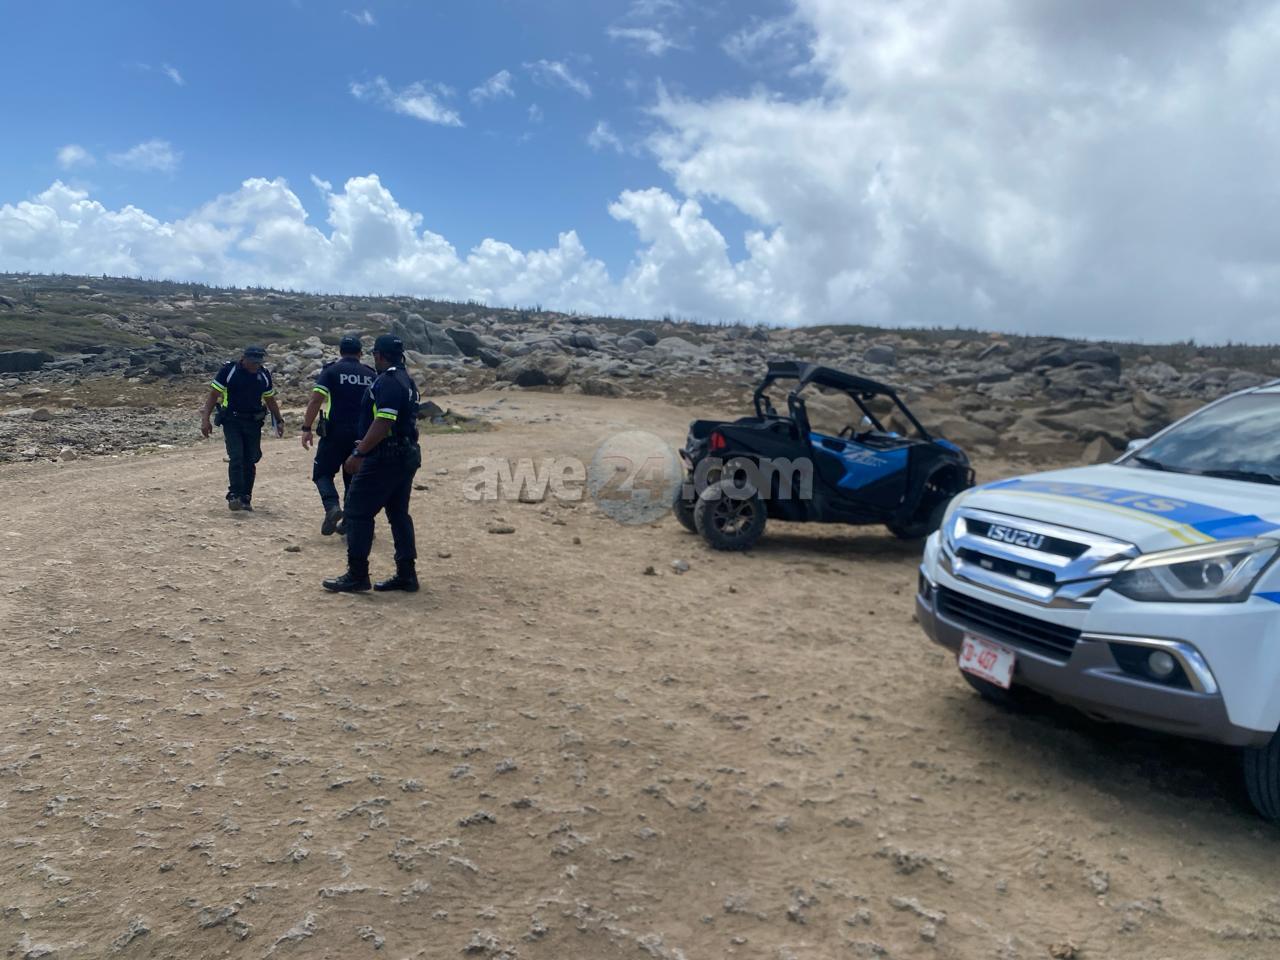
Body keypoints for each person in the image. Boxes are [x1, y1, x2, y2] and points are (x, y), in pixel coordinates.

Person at [323, 334, 422, 593]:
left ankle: (357, 574)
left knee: (357, 511)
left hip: (385, 456)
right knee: (398, 513)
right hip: (406, 453)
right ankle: (406, 573)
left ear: (378, 355)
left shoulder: (388, 381)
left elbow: (384, 420)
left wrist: (359, 452)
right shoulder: (407, 380)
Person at [300, 336, 376, 535]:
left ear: (340, 352)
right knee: (353, 478)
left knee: (322, 473)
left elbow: (316, 400)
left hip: (335, 431)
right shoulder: (371, 374)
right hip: (362, 434)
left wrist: (307, 428)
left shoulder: (332, 371)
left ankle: (332, 506)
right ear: (360, 353)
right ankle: (350, 521)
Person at [200, 345, 284, 511]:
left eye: (258, 362)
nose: (255, 365)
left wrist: (279, 420)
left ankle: (246, 497)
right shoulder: (229, 371)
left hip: (254, 422)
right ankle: (235, 495)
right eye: (252, 362)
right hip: (232, 420)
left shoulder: (264, 374)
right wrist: (205, 420)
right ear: (243, 359)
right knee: (237, 456)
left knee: (251, 458)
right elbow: (213, 396)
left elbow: (270, 399)